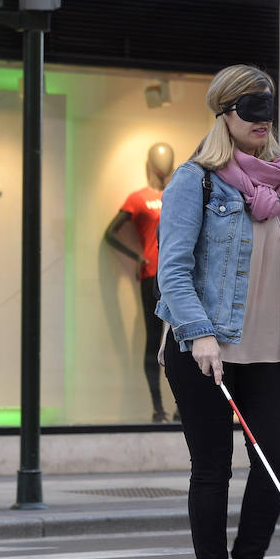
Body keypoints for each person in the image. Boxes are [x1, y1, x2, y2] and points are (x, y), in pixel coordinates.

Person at [156, 65, 280, 559]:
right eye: (250, 109)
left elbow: (269, 261)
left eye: (268, 107)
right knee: (213, 469)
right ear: (224, 113)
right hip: (205, 347)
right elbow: (172, 272)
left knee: (275, 463)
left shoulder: (273, 185)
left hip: (266, 349)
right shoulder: (193, 182)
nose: (262, 118)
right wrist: (198, 334)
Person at [104, 142, 175, 422]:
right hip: (151, 275)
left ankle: (183, 407)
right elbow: (110, 234)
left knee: (185, 339)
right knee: (153, 338)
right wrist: (138, 257)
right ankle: (158, 408)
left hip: (179, 273)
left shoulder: (177, 194)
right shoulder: (137, 198)